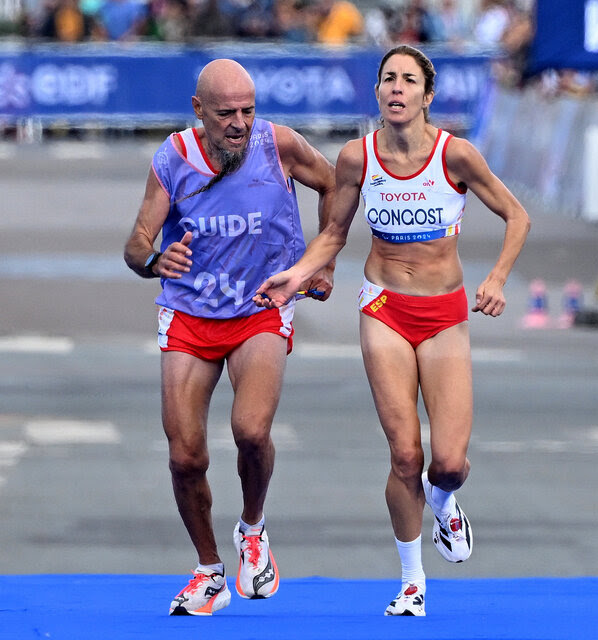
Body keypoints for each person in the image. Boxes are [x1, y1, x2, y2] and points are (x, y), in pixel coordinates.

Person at [254, 44, 530, 616]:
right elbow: (335, 234)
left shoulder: (458, 157)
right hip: (384, 308)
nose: (396, 88)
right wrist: (296, 275)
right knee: (405, 455)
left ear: (427, 96)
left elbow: (516, 215)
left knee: (446, 463)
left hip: (445, 313)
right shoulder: (357, 158)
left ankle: (445, 502)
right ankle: (411, 581)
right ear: (378, 93)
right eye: (387, 80)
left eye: (408, 80)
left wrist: (498, 278)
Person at [124, 58, 335, 616]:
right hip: (190, 312)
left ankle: (253, 529)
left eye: (248, 110)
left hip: (260, 304)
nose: (240, 124)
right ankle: (209, 569)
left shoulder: (280, 145)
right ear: (199, 111)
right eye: (226, 114)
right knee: (185, 456)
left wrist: (320, 261)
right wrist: (154, 259)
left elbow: (337, 186)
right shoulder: (172, 158)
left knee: (250, 429)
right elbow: (136, 241)